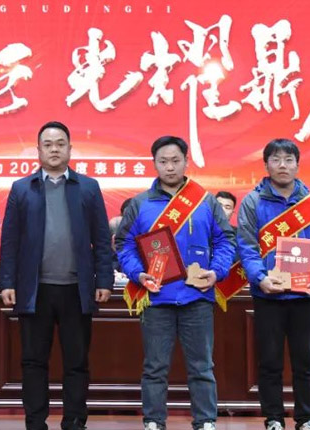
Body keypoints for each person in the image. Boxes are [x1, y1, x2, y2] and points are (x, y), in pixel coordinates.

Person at [116, 136, 236, 430]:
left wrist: (217, 272)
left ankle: (205, 422)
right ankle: (154, 422)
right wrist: (138, 274)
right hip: (156, 297)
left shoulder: (205, 201)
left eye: (175, 161)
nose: (169, 167)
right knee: (154, 367)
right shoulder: (140, 204)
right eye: (163, 161)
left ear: (186, 161)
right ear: (154, 163)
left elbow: (226, 240)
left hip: (198, 296)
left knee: (202, 367)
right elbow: (124, 245)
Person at [0, 121, 113, 430]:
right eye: (47, 144)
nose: (54, 149)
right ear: (38, 150)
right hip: (35, 290)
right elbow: (10, 240)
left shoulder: (88, 187)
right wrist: (7, 282)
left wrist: (104, 280)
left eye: (60, 144)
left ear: (70, 149)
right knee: (33, 361)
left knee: (77, 361)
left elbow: (102, 239)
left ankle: (74, 420)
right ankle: (36, 422)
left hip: (77, 289)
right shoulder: (22, 188)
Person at [237, 138, 310, 430]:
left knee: (305, 362)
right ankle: (273, 418)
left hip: (306, 296)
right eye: (276, 159)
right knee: (269, 362)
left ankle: (306, 419)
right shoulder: (253, 202)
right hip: (268, 295)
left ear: (298, 164)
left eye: (289, 160)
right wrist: (260, 278)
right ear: (266, 165)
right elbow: (247, 247)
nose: (283, 165)